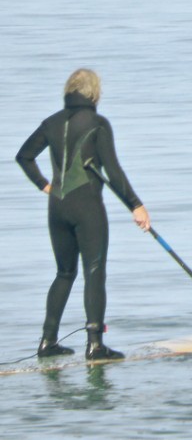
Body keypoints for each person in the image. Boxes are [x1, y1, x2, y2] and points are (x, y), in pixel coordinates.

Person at [16, 69, 150, 361]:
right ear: (94, 93)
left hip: (57, 208)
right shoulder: (98, 124)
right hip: (87, 207)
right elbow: (113, 171)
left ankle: (47, 341)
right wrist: (136, 205)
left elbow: (23, 156)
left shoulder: (50, 122)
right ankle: (95, 345)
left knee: (64, 273)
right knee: (94, 271)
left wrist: (45, 185)